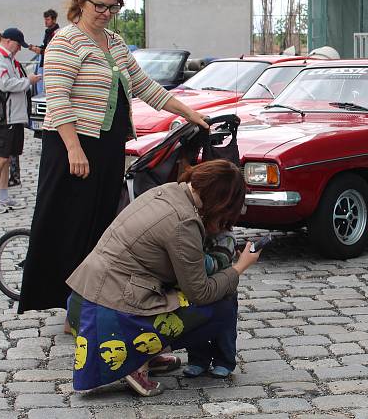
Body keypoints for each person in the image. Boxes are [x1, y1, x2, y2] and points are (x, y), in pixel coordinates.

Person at [18, 0, 210, 316]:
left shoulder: (116, 44)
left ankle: (90, 305)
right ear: (82, 0)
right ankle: (70, 308)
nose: (107, 13)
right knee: (69, 227)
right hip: (72, 147)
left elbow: (145, 87)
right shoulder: (65, 42)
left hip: (107, 148)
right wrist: (74, 149)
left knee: (101, 229)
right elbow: (58, 100)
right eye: (101, 6)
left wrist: (188, 112)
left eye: (114, 8)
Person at [65, 160, 260, 396]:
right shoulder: (184, 222)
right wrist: (239, 267)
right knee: (221, 301)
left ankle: (145, 352)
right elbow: (201, 293)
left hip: (83, 299)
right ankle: (136, 361)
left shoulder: (168, 191)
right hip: (113, 311)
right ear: (221, 202)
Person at [0, 28, 41, 214]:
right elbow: (5, 84)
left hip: (13, 116)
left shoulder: (8, 59)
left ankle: (3, 196)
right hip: (2, 117)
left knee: (7, 158)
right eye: (17, 45)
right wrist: (28, 81)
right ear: (8, 41)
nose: (18, 49)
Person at [182, 229, 238, 378]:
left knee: (225, 330)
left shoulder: (226, 238)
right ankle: (198, 360)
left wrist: (190, 254)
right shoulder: (192, 234)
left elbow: (215, 264)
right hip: (197, 290)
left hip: (223, 291)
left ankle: (225, 361)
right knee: (194, 325)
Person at [29, 9, 60, 95]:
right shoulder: (47, 33)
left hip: (51, 65)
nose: (45, 22)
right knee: (40, 88)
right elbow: (45, 47)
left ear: (54, 20)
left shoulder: (57, 33)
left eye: (48, 19)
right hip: (43, 64)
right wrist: (35, 48)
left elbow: (54, 51)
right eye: (45, 19)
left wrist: (41, 51)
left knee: (45, 90)